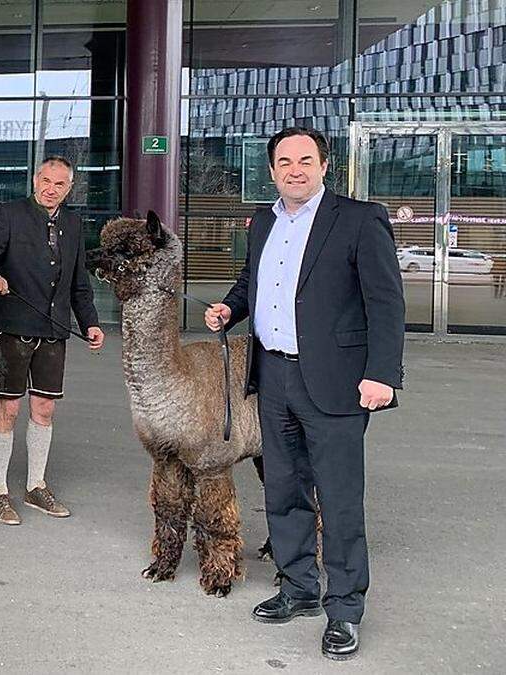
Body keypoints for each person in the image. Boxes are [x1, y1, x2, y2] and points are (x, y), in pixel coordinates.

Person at [204, 127, 405, 661]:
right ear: (271, 170)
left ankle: (344, 609)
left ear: (324, 165)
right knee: (284, 491)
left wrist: (382, 373)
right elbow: (252, 281)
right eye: (285, 161)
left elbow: (385, 302)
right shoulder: (266, 220)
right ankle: (298, 589)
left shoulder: (360, 219)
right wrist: (230, 307)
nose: (295, 169)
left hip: (337, 381)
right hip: (272, 377)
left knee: (339, 501)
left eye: (305, 160)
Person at [0, 156, 105, 525]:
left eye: (60, 184)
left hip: (54, 329)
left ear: (69, 189)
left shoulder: (73, 222)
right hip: (13, 326)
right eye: (46, 181)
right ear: (36, 179)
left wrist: (91, 323)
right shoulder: (9, 213)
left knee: (44, 410)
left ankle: (36, 486)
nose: (51, 189)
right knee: (9, 409)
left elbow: (78, 282)